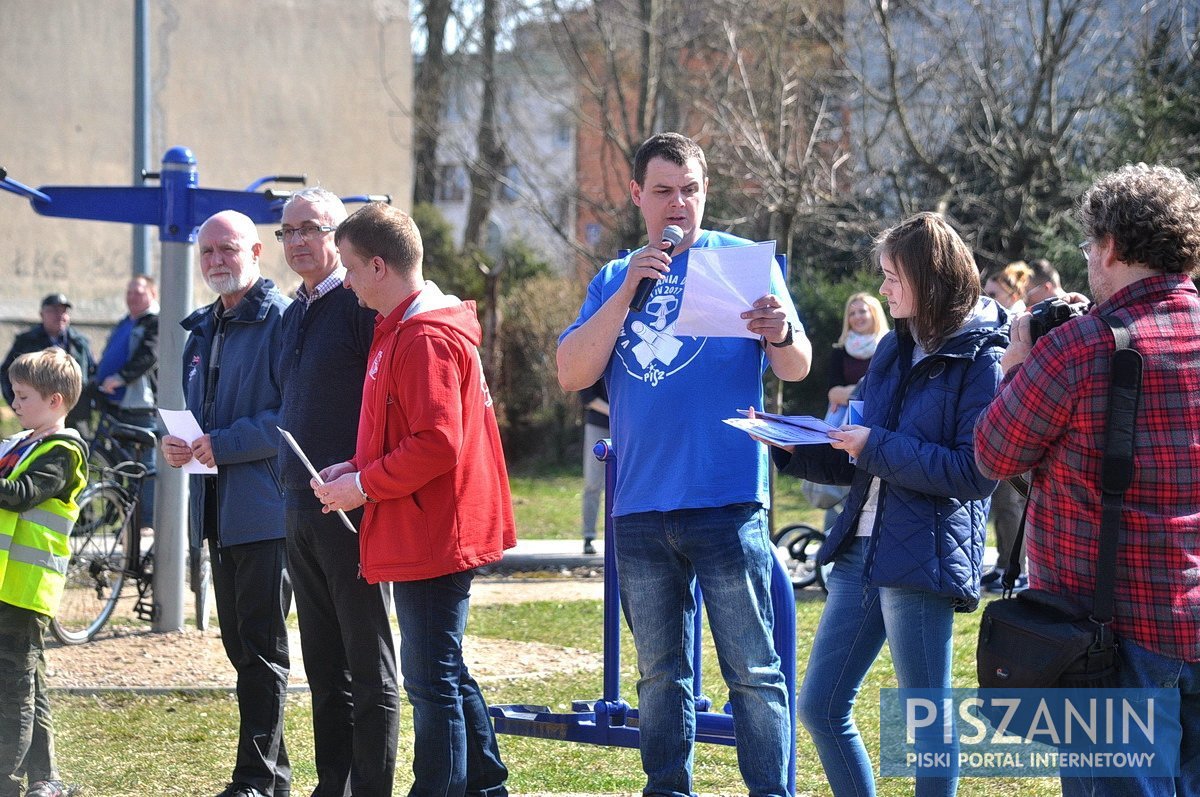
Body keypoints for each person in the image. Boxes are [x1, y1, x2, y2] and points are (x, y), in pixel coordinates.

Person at [556, 132, 812, 797]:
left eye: (691, 190)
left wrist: (780, 331)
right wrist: (627, 292)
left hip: (726, 501)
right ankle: (668, 789)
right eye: (664, 191)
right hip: (641, 507)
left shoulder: (739, 264)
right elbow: (572, 370)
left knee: (753, 670)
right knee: (659, 674)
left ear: (706, 191)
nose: (679, 205)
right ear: (638, 194)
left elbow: (797, 364)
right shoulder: (616, 276)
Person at [975, 163, 1200, 797]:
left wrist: (1016, 362)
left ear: (1108, 247)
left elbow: (993, 453)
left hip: (1111, 636)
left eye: (1088, 247)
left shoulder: (1079, 347)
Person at [769, 213, 1006, 797]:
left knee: (926, 723)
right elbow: (856, 454)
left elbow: (973, 472)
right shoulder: (893, 349)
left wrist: (876, 445)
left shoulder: (983, 358)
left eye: (892, 277)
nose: (882, 289)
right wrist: (788, 445)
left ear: (927, 278)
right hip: (858, 552)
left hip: (922, 556)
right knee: (821, 706)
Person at [313, 202, 515, 797]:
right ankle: (485, 785)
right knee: (443, 670)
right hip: (429, 525)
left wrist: (363, 484)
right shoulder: (400, 328)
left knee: (430, 681)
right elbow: (412, 433)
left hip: (436, 531)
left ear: (379, 265)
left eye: (349, 268)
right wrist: (356, 466)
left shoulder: (422, 336)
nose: (345, 281)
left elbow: (436, 444)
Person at [160, 210, 292, 797]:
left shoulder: (283, 321)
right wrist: (183, 445)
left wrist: (222, 443)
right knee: (242, 649)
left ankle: (255, 781)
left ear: (257, 252)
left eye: (227, 248)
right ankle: (272, 777)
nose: (216, 259)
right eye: (207, 250)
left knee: (261, 651)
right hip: (216, 510)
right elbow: (207, 420)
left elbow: (294, 418)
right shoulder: (202, 329)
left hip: (267, 512)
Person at [275, 189, 399, 797]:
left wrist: (363, 480)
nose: (297, 241)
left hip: (351, 506)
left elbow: (386, 399)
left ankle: (371, 787)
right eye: (287, 231)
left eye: (310, 229)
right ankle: (334, 785)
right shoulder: (295, 311)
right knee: (323, 665)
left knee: (367, 661)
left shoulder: (358, 304)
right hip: (299, 506)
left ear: (336, 234)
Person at [0, 348, 88, 797]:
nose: (14, 405)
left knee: (13, 689)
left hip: (25, 588)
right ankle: (46, 779)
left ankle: (7, 780)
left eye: (22, 396)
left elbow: (19, 495)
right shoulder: (21, 443)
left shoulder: (63, 452)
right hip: (6, 586)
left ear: (55, 401)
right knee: (27, 682)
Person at [980, 261, 1035, 591]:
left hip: (1016, 422)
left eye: (992, 293)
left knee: (1010, 503)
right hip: (1000, 414)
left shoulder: (1022, 324)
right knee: (1002, 504)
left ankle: (1017, 568)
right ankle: (1004, 564)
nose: (986, 299)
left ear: (1012, 293)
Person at [92, 275, 159, 525]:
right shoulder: (125, 322)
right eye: (129, 291)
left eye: (138, 292)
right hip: (117, 404)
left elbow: (148, 356)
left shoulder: (155, 322)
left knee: (146, 467)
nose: (132, 296)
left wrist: (119, 378)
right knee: (125, 467)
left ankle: (147, 523)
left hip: (141, 406)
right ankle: (130, 524)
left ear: (153, 294)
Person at [819, 293, 889, 527]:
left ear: (874, 314)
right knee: (842, 488)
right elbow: (832, 393)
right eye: (852, 312)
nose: (857, 317)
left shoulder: (889, 347)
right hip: (845, 429)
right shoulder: (840, 350)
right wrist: (863, 389)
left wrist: (850, 392)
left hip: (880, 429)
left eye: (862, 311)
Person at [1, 295, 95, 434]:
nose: (59, 316)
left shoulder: (79, 342)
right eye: (53, 311)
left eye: (63, 311)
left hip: (76, 415)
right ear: (41, 314)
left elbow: (92, 373)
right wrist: (21, 404)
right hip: (39, 418)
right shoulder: (27, 341)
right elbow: (6, 373)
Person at [578, 378, 608, 554]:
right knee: (593, 483)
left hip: (629, 424)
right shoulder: (595, 352)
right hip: (599, 424)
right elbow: (587, 397)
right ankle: (588, 536)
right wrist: (616, 412)